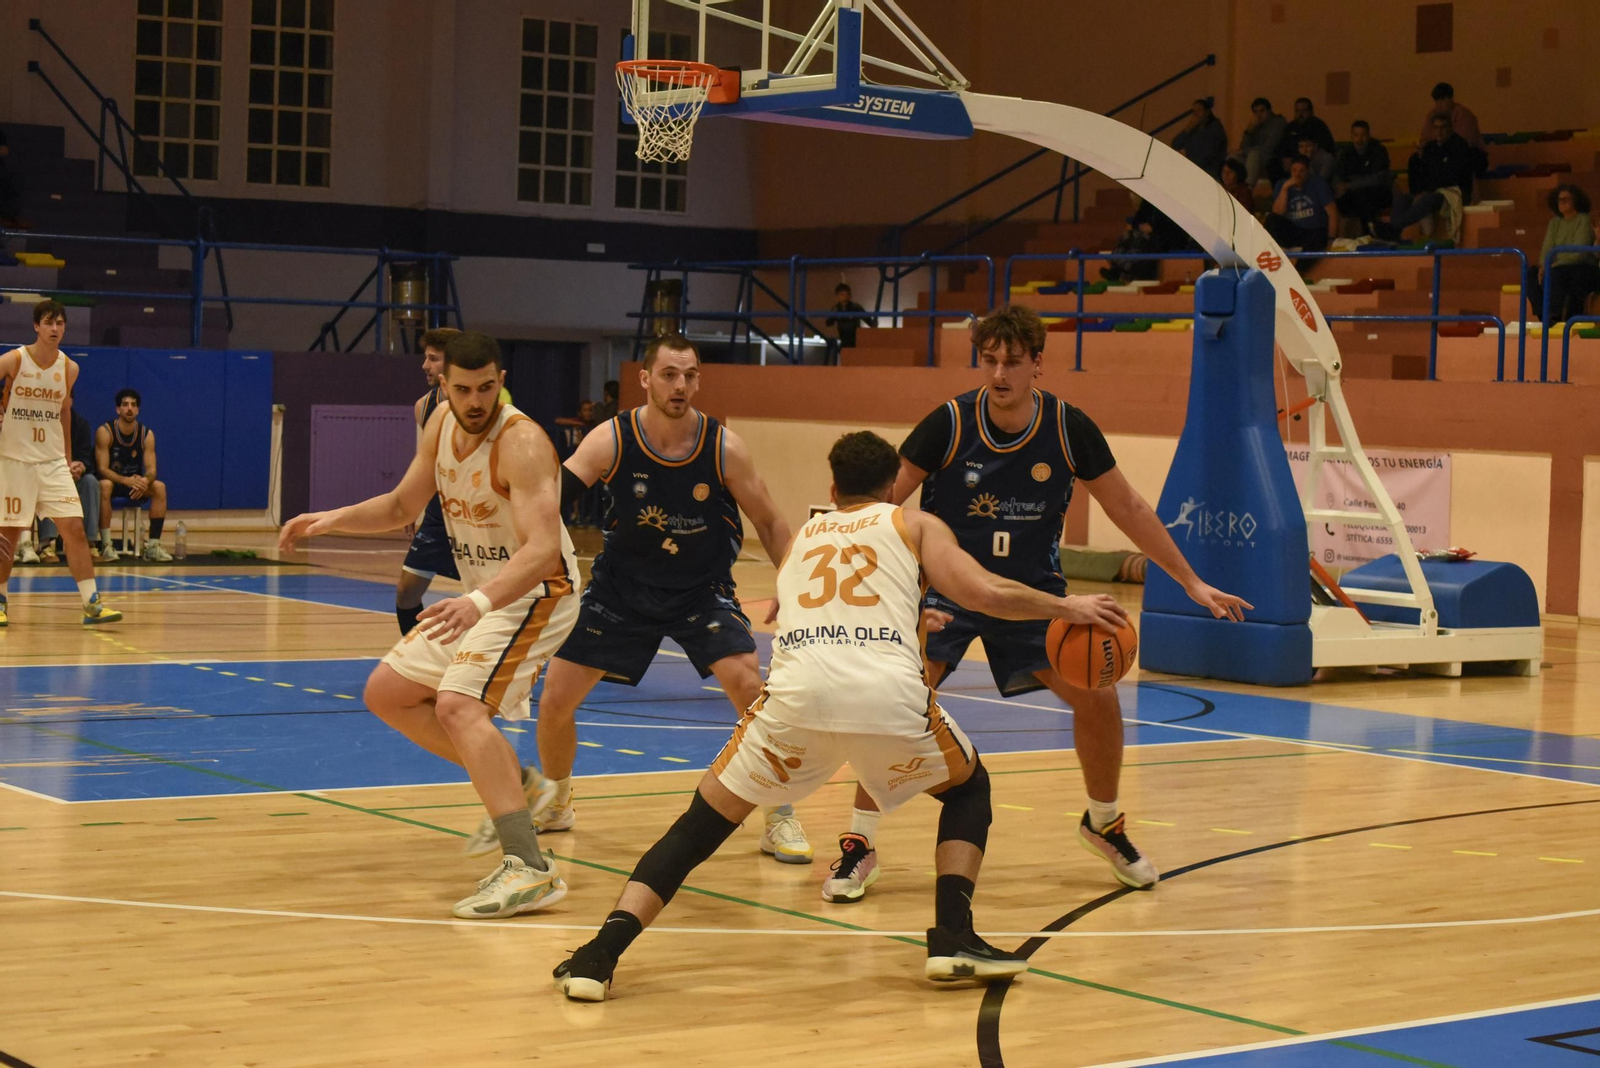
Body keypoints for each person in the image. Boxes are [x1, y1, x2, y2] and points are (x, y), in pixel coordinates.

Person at [552, 431, 1136, 1000]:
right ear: (893, 485)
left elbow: (832, 613)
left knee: (697, 827)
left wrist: (908, 620)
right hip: (884, 694)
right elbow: (982, 591)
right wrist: (1067, 605)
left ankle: (599, 955)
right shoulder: (914, 524)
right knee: (967, 789)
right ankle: (953, 937)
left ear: (833, 489)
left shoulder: (802, 538)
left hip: (796, 699)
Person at [822, 306, 1250, 905]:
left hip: (1033, 594)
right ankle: (859, 841)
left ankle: (1104, 823)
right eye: (989, 360)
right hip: (949, 589)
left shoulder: (1069, 429)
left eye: (1012, 362)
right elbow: (882, 509)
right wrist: (875, 593)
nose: (999, 374)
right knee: (897, 702)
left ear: (1037, 365)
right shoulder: (948, 423)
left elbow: (1128, 507)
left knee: (1099, 695)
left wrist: (1189, 581)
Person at [278, 331, 580, 919]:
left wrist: (480, 602)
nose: (476, 401)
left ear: (500, 381)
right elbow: (400, 506)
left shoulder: (521, 443)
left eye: (486, 388)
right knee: (387, 692)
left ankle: (530, 869)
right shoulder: (440, 423)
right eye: (463, 390)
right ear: (444, 385)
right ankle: (521, 783)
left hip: (539, 594)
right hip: (487, 596)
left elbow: (543, 550)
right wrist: (329, 519)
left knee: (458, 706)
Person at [480, 334, 814, 863]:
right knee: (557, 699)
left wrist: (793, 587)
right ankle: (558, 802)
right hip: (621, 589)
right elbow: (551, 500)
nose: (680, 386)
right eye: (669, 375)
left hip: (701, 589)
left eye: (690, 376)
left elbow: (771, 522)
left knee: (750, 685)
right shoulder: (611, 439)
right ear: (645, 378)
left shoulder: (723, 447)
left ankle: (780, 814)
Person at [0, 300, 123, 626]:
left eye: (60, 323)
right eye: (48, 322)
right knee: (7, 535)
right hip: (15, 459)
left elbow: (64, 411)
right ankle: (0, 600)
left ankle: (92, 603)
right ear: (36, 326)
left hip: (52, 461)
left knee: (75, 530)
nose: (55, 329)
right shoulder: (15, 359)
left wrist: (67, 457)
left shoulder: (69, 368)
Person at [393, 327, 461, 635]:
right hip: (439, 511)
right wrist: (413, 501)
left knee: (489, 594)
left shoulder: (484, 406)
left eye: (433, 358)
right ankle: (415, 655)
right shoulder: (424, 406)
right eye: (426, 357)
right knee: (407, 593)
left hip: (479, 511)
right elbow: (428, 461)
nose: (425, 365)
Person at [95, 388, 172, 562]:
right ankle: (106, 545)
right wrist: (126, 481)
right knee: (104, 485)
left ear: (137, 410)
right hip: (114, 482)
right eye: (125, 404)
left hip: (135, 485)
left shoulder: (146, 434)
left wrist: (144, 481)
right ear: (118, 409)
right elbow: (102, 469)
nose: (129, 408)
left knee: (159, 487)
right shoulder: (105, 432)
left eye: (133, 405)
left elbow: (152, 470)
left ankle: (153, 546)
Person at [1373, 113, 1476, 241]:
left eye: (1443, 127)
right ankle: (1395, 232)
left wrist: (1427, 191)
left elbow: (1453, 176)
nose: (1439, 131)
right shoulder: (1430, 148)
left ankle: (1393, 226)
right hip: (1432, 190)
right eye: (1436, 127)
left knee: (1428, 199)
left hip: (1453, 191)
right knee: (1402, 199)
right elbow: (1424, 175)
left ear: (1450, 128)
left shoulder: (1459, 146)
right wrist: (1419, 191)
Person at [35, 401, 98, 565]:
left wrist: (80, 466)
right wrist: (62, 468)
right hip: (50, 472)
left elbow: (87, 455)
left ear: (71, 401)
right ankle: (46, 544)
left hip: (74, 474)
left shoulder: (80, 423)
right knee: (45, 483)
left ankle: (90, 543)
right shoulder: (42, 420)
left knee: (90, 481)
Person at [1527, 184, 1599, 324]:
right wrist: (1544, 266)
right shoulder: (1554, 222)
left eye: (1566, 199)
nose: (1562, 202)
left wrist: (1553, 265)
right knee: (1530, 274)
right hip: (1558, 266)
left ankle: (1556, 314)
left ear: (1576, 200)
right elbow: (1547, 248)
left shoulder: (1583, 219)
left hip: (1581, 266)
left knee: (1556, 274)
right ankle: (1543, 315)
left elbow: (1578, 253)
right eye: (1560, 199)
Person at [1265, 155, 1338, 253]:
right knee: (1271, 219)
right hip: (1293, 230)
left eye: (1301, 171)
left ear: (1308, 171)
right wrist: (1285, 189)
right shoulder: (1282, 184)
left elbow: (1332, 213)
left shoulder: (1318, 183)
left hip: (1313, 231)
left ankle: (1301, 260)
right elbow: (1277, 213)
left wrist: (1331, 239)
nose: (1297, 174)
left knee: (1318, 238)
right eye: (1294, 170)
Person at [1333, 120, 1393, 230]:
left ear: (1369, 136)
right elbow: (1340, 175)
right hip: (1353, 194)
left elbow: (1377, 179)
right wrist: (1341, 186)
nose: (1359, 139)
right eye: (1356, 135)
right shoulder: (1346, 153)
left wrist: (1351, 184)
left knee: (1363, 197)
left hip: (1377, 193)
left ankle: (1369, 230)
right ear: (1351, 136)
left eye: (1363, 135)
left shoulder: (1378, 150)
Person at [1230, 97, 1286, 189]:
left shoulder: (1278, 122)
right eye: (1256, 112)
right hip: (1253, 156)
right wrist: (1249, 130)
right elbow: (1243, 146)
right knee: (1232, 158)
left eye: (1262, 111)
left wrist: (1245, 151)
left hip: (1271, 158)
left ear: (1269, 111)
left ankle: (1248, 188)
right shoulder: (1255, 124)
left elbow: (1269, 147)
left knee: (1254, 155)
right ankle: (1230, 188)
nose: (1259, 115)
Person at [1276, 97, 1335, 180]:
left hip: (1311, 160)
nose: (1300, 114)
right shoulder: (1290, 127)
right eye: (1297, 111)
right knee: (1273, 163)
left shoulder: (1319, 126)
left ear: (1311, 112)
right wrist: (1284, 159)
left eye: (1304, 111)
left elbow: (1325, 147)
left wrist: (1298, 159)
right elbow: (1281, 147)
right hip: (1291, 160)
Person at [1172, 98, 1227, 180]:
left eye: (1199, 110)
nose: (1196, 114)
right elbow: (1175, 144)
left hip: (1209, 172)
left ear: (1207, 112)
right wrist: (1187, 130)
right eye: (1194, 111)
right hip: (1193, 169)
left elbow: (1207, 155)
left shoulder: (1215, 128)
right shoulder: (1194, 129)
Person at [1420, 82, 1483, 153]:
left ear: (1451, 99)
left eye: (1443, 100)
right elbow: (1425, 138)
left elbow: (1465, 141)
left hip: (1468, 153)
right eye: (1437, 101)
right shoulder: (1433, 115)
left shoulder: (1462, 114)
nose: (1439, 104)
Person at [825, 283, 874, 353]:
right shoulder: (836, 309)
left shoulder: (856, 308)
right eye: (842, 295)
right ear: (837, 296)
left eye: (847, 295)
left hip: (856, 341)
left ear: (850, 296)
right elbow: (828, 323)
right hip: (843, 340)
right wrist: (833, 314)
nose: (845, 297)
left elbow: (870, 322)